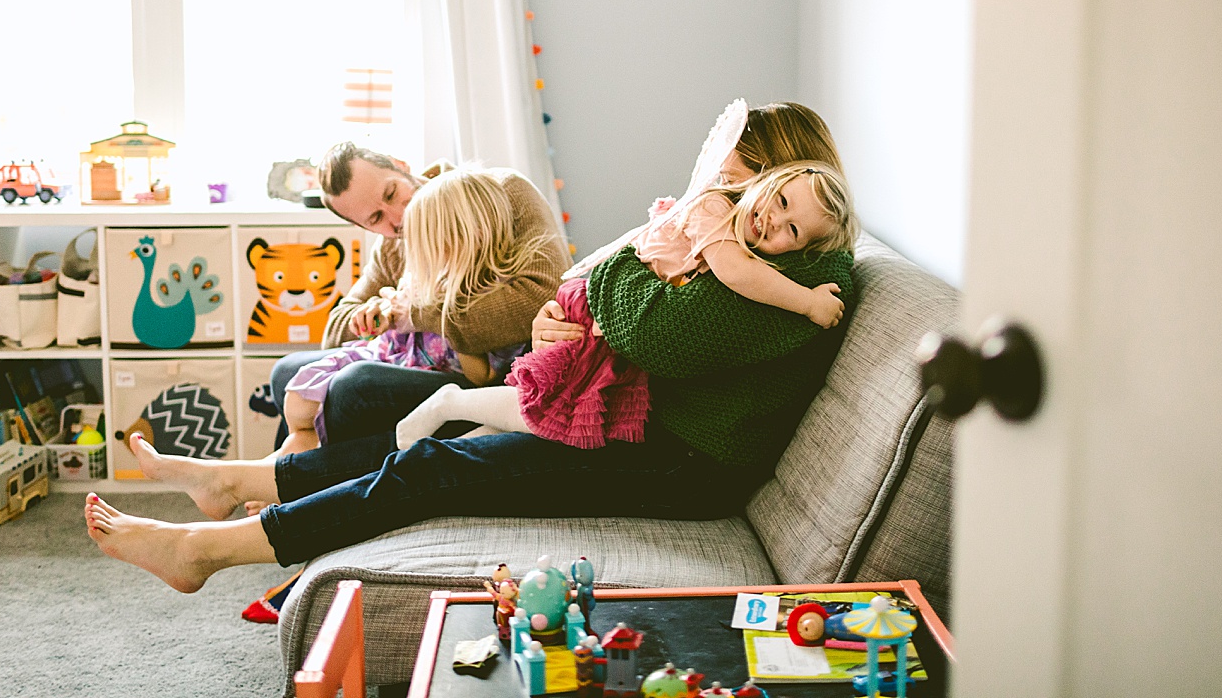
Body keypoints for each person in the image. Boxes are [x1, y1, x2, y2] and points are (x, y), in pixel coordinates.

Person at [83, 102, 856, 593]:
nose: (716, 201)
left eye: (736, 181)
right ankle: (235, 491)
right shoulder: (755, 247)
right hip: (640, 419)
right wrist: (571, 313)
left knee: (439, 458)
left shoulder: (804, 273)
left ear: (786, 177)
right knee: (430, 438)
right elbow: (609, 293)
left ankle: (205, 550)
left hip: (680, 460)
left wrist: (609, 289)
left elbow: (647, 322)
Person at [393, 156, 858, 450]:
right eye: (777, 200)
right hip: (600, 311)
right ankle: (450, 403)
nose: (772, 220)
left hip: (614, 312)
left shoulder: (750, 238)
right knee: (550, 409)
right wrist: (806, 302)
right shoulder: (715, 210)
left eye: (792, 230)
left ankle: (454, 447)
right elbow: (739, 274)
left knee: (548, 416)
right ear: (767, 181)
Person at [266, 144, 570, 457]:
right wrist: (374, 314)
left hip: (481, 372)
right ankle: (282, 476)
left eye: (390, 193)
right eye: (376, 218)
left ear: (400, 165)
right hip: (415, 360)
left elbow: (541, 296)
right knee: (286, 373)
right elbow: (335, 330)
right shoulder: (391, 245)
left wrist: (419, 312)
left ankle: (289, 482)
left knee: (352, 386)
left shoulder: (494, 192)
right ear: (363, 227)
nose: (398, 217)